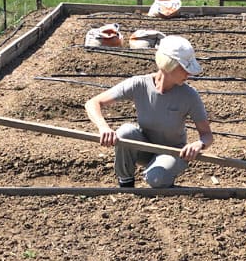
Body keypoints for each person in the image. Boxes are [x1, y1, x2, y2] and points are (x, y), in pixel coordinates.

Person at [85, 35, 213, 188]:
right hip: (145, 147)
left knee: (157, 179)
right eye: (184, 68)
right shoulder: (139, 84)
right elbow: (93, 103)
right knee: (125, 132)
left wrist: (199, 144)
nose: (189, 74)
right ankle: (126, 186)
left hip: (173, 153)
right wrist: (103, 127)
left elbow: (207, 135)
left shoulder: (189, 95)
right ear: (169, 65)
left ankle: (160, 173)